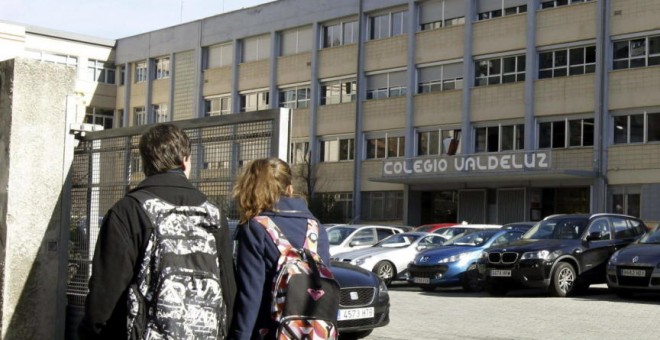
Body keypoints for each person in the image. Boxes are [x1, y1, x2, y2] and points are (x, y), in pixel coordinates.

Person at [78, 123, 236, 339]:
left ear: (145, 163)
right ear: (185, 160)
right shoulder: (213, 214)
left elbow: (105, 293)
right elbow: (228, 288)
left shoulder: (129, 210)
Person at [228, 157, 331, 340]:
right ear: (290, 188)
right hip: (311, 332)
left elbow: (251, 294)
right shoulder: (316, 228)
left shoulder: (255, 228)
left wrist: (239, 335)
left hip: (269, 331)